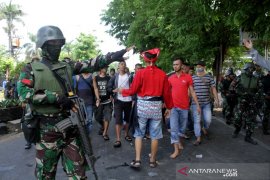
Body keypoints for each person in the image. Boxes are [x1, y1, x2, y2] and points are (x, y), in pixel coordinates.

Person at [17, 25, 134, 179]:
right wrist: (56, 98)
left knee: (79, 174)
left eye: (60, 43)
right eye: (53, 44)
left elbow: (91, 63)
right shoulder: (31, 69)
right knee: (45, 175)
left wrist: (113, 56)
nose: (57, 47)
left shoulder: (67, 66)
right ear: (43, 45)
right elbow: (24, 93)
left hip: (70, 128)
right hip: (47, 131)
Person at [114, 48, 173, 168]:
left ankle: (137, 160)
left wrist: (122, 91)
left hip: (142, 108)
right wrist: (169, 107)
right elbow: (167, 94)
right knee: (155, 135)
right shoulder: (162, 74)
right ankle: (152, 161)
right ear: (155, 59)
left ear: (145, 59)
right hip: (156, 108)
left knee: (139, 133)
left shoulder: (140, 73)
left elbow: (132, 90)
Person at [168, 58, 200, 158]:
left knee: (182, 128)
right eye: (174, 64)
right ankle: (176, 150)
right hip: (173, 107)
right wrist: (166, 106)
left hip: (184, 107)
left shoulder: (188, 77)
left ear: (181, 66)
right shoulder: (170, 78)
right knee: (173, 128)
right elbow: (167, 93)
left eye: (177, 64)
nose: (175, 66)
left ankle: (179, 141)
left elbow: (192, 92)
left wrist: (198, 105)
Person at [231, 62, 261, 145]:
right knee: (237, 118)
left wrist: (256, 98)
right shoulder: (240, 77)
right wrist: (239, 93)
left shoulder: (256, 79)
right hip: (241, 101)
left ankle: (248, 136)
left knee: (250, 120)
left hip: (251, 102)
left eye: (252, 69)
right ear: (246, 69)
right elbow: (232, 87)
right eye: (249, 69)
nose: (251, 70)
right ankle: (237, 129)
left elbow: (260, 90)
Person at [192, 60, 219, 145]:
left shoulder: (209, 77)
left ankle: (204, 128)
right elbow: (190, 90)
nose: (198, 68)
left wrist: (217, 99)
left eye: (200, 66)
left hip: (206, 103)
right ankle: (198, 138)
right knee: (197, 121)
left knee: (208, 120)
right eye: (197, 66)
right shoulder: (192, 77)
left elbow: (213, 88)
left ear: (204, 67)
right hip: (195, 104)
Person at [108, 61, 133, 148]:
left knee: (127, 119)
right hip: (118, 100)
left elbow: (134, 87)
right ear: (118, 67)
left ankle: (126, 134)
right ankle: (118, 139)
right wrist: (112, 91)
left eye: (124, 64)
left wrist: (133, 98)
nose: (123, 66)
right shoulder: (115, 76)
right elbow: (109, 86)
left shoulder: (130, 76)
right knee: (118, 120)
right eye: (121, 64)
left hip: (128, 100)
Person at [93, 66, 113, 140]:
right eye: (104, 67)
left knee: (107, 117)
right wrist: (98, 98)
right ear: (100, 69)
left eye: (107, 67)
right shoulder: (96, 78)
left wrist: (111, 95)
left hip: (108, 100)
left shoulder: (109, 78)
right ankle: (103, 126)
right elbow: (95, 88)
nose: (106, 68)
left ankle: (105, 133)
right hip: (100, 101)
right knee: (97, 117)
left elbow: (111, 88)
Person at [73, 70, 95, 134]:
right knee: (81, 120)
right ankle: (83, 135)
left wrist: (97, 99)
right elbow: (73, 90)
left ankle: (88, 135)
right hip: (79, 103)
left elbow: (95, 88)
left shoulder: (92, 76)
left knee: (89, 120)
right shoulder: (77, 77)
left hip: (89, 101)